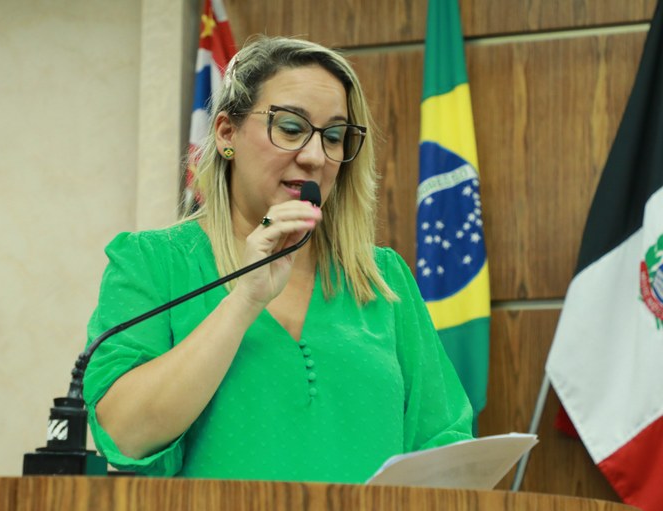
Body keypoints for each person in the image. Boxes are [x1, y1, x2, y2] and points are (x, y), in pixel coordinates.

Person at [83, 35, 473, 483]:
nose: (315, 157)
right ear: (226, 133)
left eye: (333, 137)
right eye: (290, 128)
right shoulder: (152, 262)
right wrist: (245, 299)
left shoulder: (383, 278)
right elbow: (126, 436)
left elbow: (445, 446)